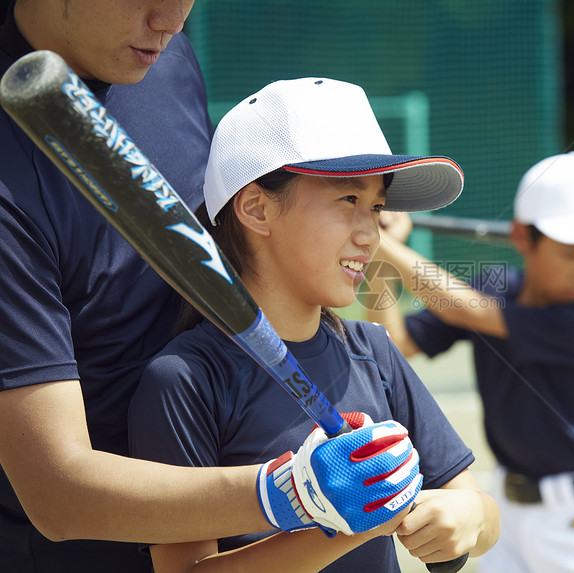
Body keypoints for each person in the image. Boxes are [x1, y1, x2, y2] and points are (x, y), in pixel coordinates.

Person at [0, 2, 421, 571]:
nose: (171, 19)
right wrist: (289, 493)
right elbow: (57, 491)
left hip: (241, 455)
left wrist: (348, 219)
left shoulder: (160, 57)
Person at [127, 77, 499, 572]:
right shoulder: (185, 379)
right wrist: (341, 521)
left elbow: (482, 513)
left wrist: (467, 514)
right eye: (348, 200)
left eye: (378, 207)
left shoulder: (372, 350)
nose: (371, 234)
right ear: (257, 208)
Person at [365, 151, 574, 572]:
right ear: (523, 238)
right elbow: (395, 342)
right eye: (570, 254)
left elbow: (463, 308)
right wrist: (379, 260)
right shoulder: (497, 284)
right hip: (510, 517)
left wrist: (382, 240)